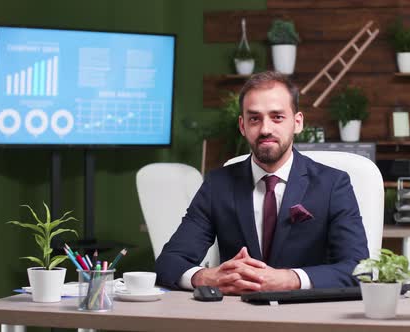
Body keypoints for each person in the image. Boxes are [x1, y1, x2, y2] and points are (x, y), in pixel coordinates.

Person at [156, 71, 368, 294]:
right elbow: (169, 262)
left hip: (306, 316)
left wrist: (291, 279)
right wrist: (206, 277)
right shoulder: (217, 185)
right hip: (236, 316)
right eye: (255, 119)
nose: (265, 129)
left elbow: (358, 268)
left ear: (297, 123)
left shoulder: (333, 185)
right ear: (242, 126)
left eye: (277, 117)